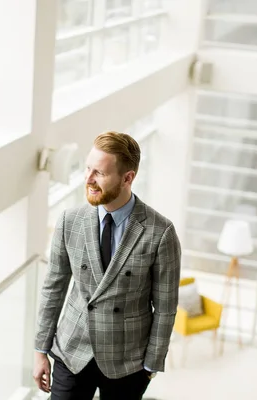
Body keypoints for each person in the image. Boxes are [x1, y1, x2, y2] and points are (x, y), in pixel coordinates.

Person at [33, 131, 182, 400]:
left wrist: (150, 366)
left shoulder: (160, 232)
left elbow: (166, 306)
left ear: (128, 178)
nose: (88, 179)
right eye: (88, 169)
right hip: (72, 351)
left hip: (127, 361)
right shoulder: (70, 221)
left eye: (99, 173)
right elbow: (53, 289)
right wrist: (40, 351)